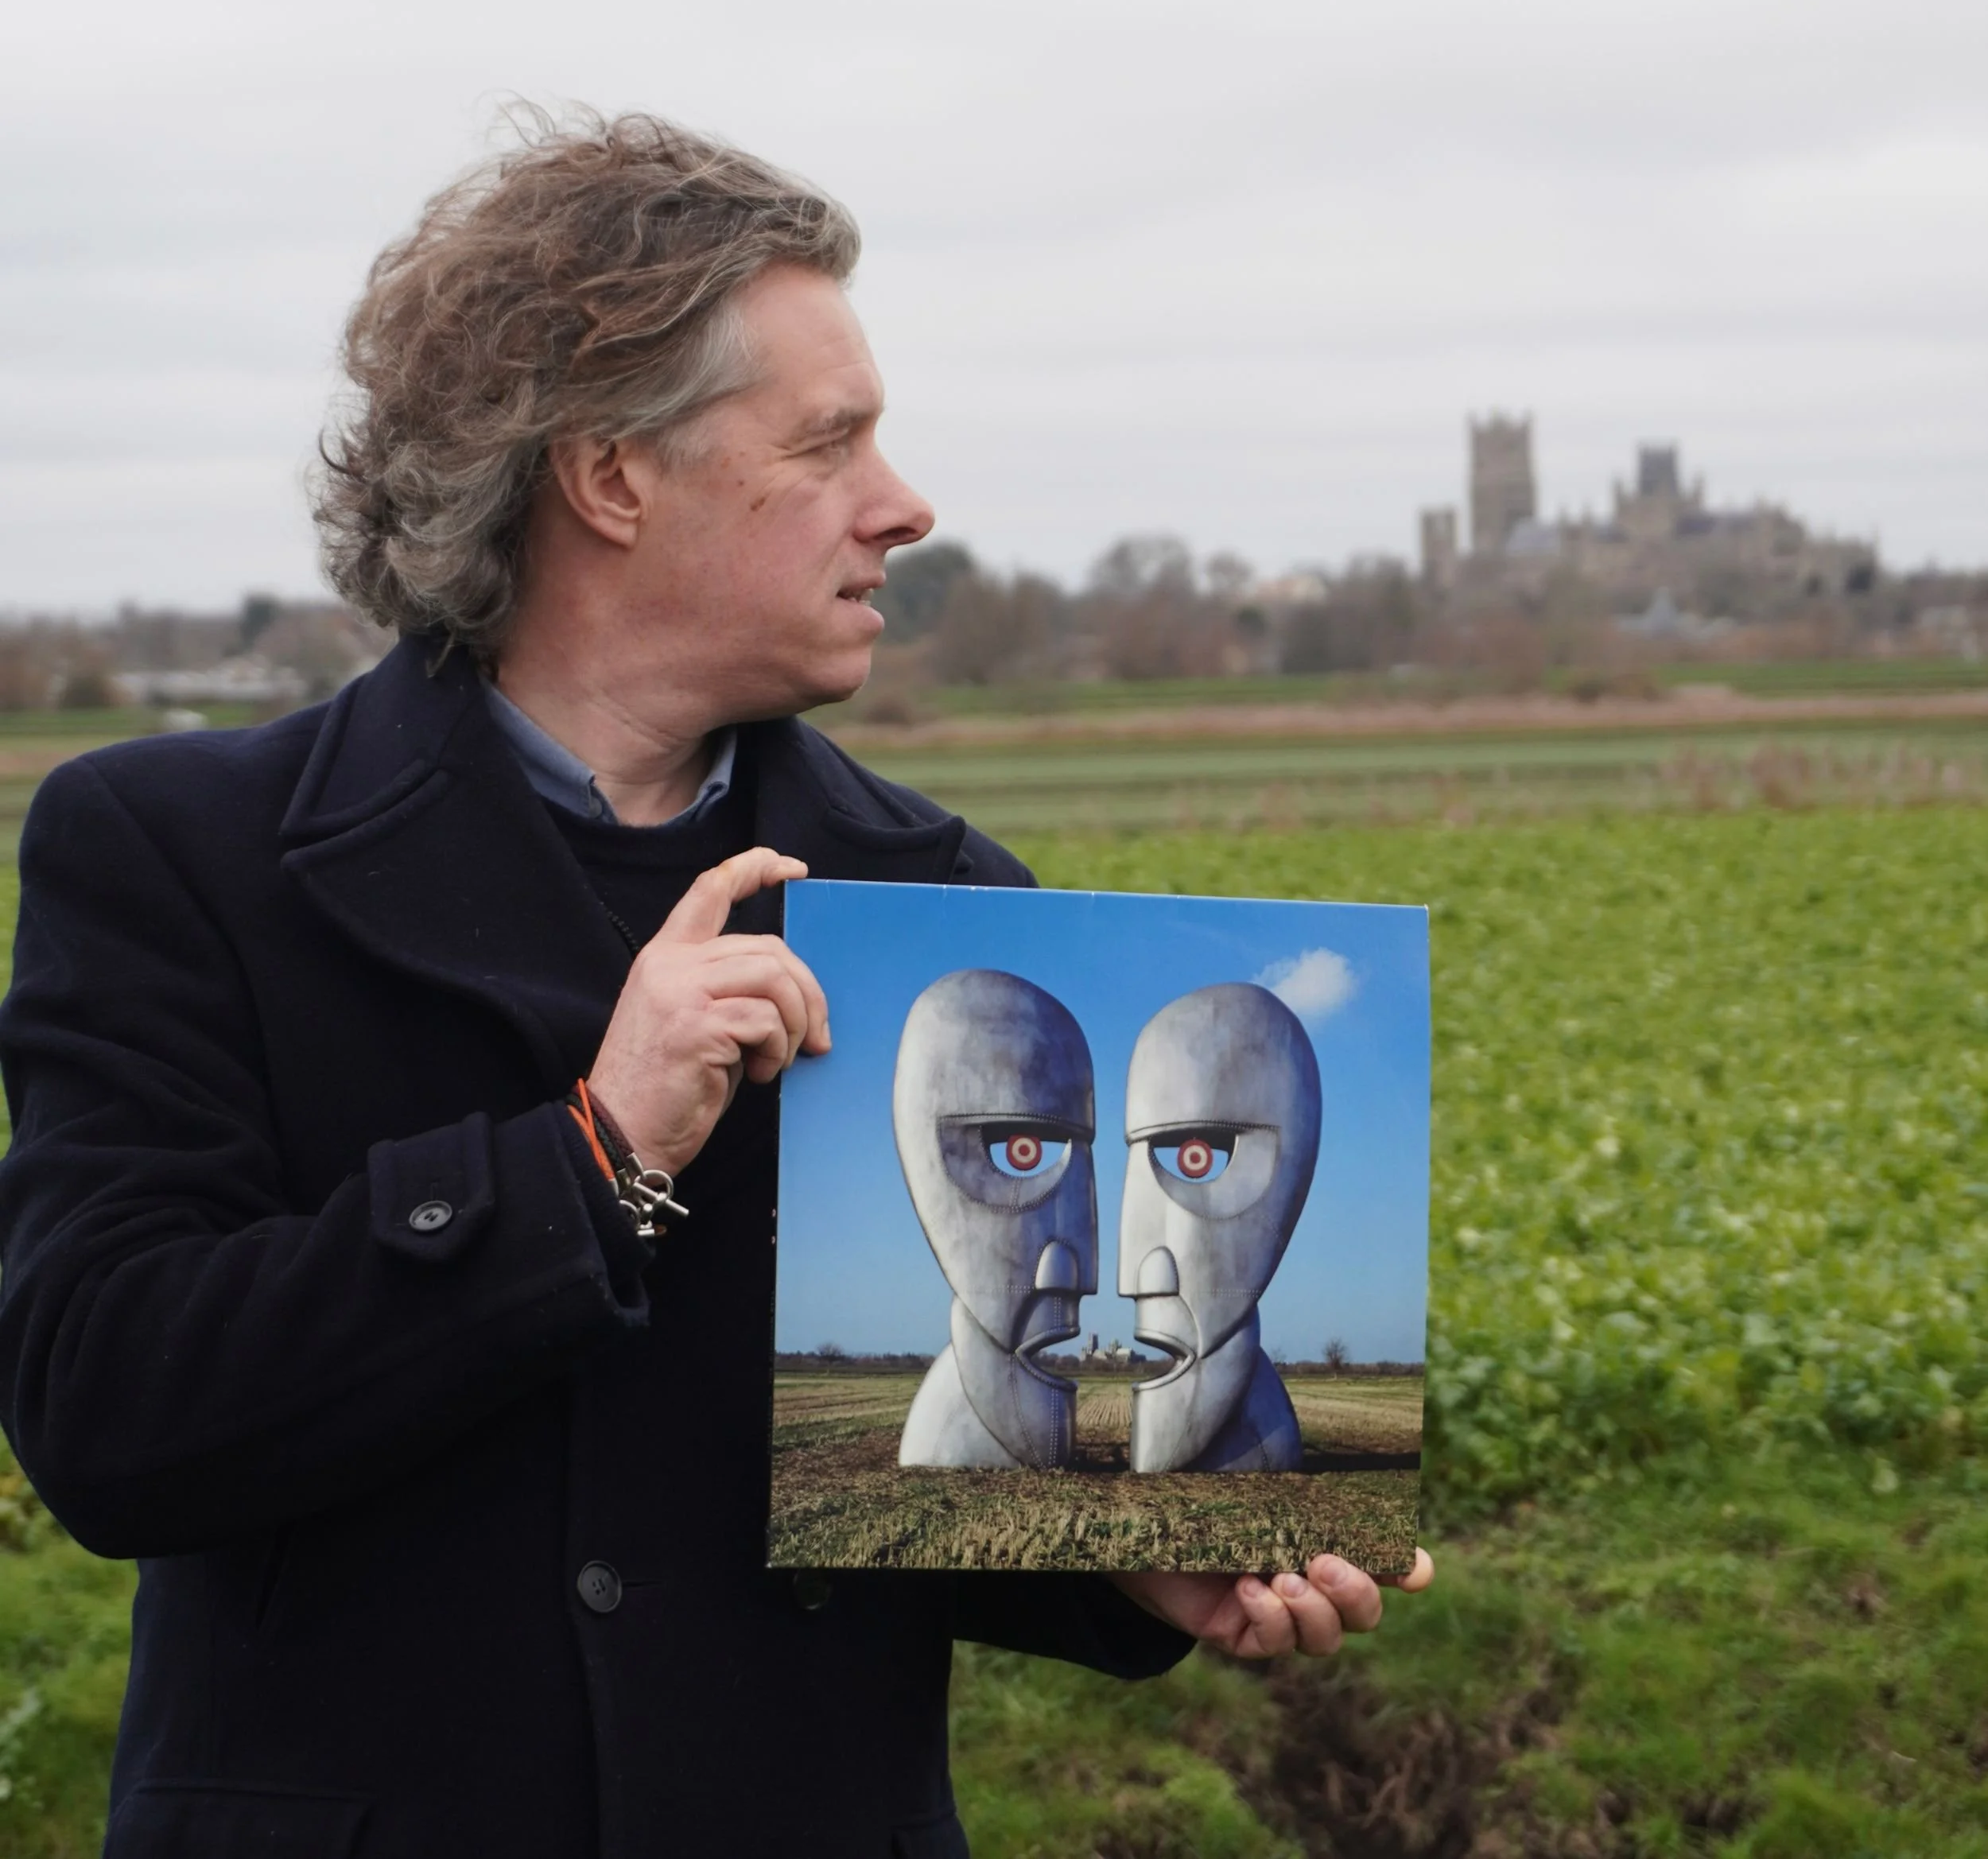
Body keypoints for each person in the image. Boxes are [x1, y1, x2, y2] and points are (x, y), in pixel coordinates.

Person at [0, 114, 1430, 1859]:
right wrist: (584, 1155)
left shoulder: (946, 907)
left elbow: (899, 1465)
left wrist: (1123, 1555)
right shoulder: (178, 854)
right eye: (828, 442)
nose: (901, 504)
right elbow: (109, 1415)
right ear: (609, 477)